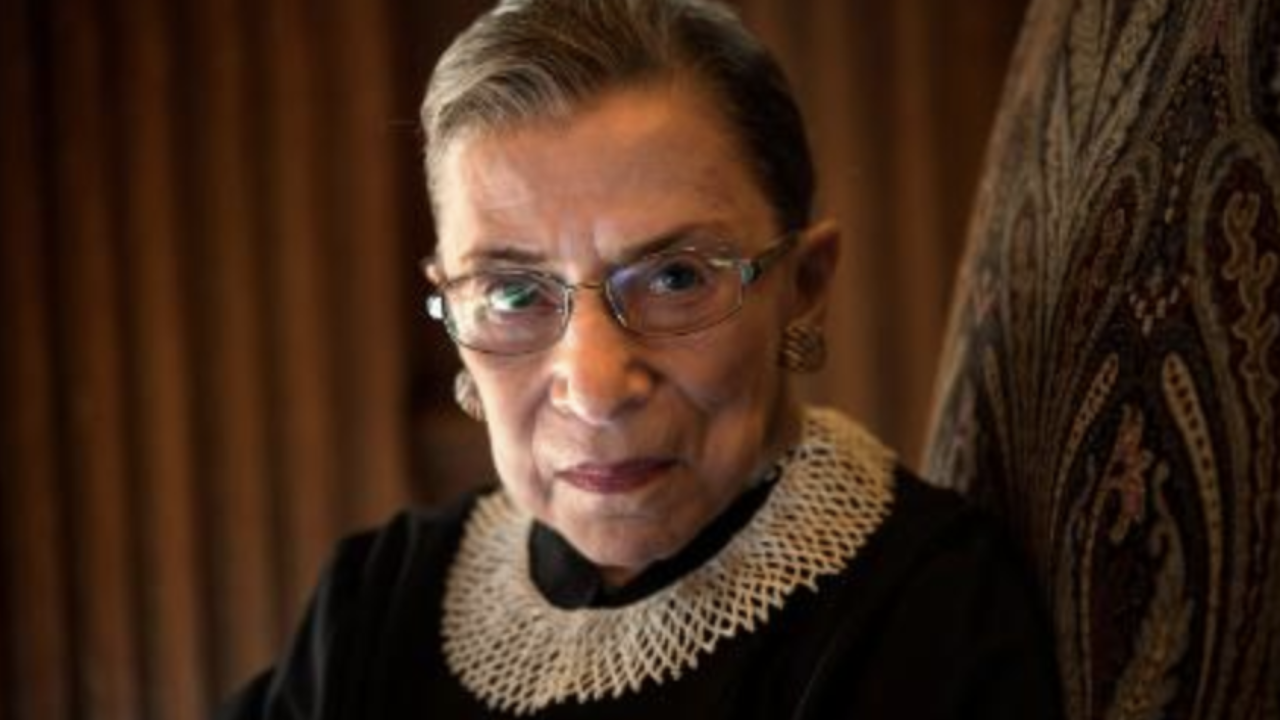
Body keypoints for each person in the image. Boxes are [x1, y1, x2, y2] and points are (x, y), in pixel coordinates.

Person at [217, 0, 1061, 717]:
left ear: (804, 285)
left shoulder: (930, 613)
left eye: (674, 278)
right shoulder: (376, 603)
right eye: (513, 293)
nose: (594, 389)